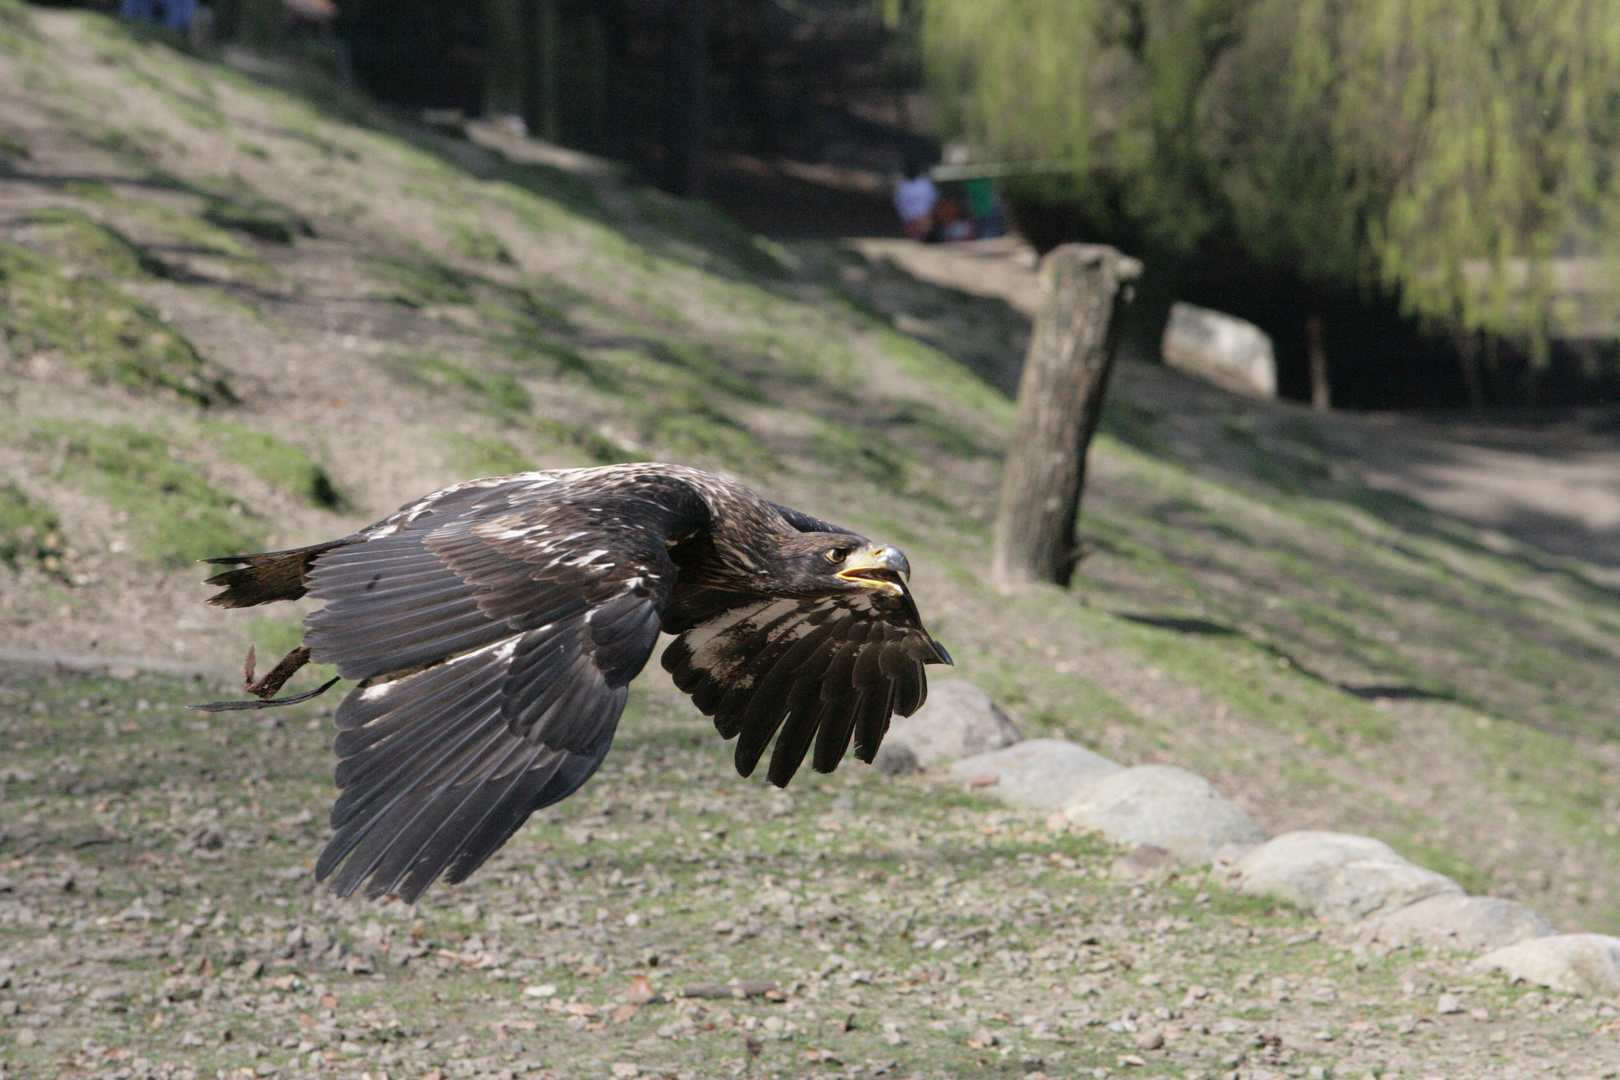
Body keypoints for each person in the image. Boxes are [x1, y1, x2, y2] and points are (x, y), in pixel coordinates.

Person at [894, 160, 938, 242]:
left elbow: (933, 201)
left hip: (925, 218)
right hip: (910, 221)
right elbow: (899, 204)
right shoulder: (903, 186)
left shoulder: (924, 184)